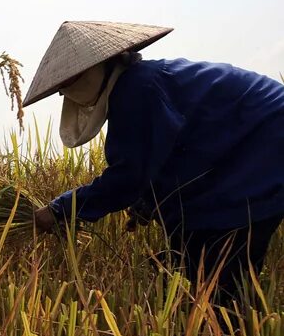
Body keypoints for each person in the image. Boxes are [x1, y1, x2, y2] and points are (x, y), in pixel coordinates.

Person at [24, 21, 284, 304]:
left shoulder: (138, 87)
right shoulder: (145, 81)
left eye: (67, 84)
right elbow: (171, 156)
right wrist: (147, 204)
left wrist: (60, 210)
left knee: (220, 273)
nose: (65, 93)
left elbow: (127, 178)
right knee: (196, 251)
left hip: (265, 146)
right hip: (249, 150)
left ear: (95, 69)